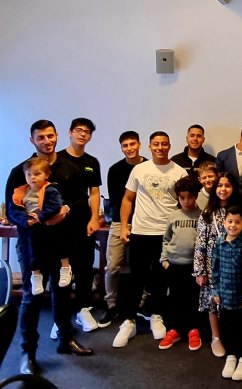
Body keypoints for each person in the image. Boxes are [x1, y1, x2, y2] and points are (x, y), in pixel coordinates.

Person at [5, 119, 93, 375]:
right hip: (32, 244)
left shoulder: (71, 169)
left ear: (57, 136)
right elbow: (12, 209)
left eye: (50, 136)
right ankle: (27, 353)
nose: (46, 141)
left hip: (62, 242)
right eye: (40, 137)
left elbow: (81, 202)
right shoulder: (19, 171)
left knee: (62, 291)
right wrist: (33, 221)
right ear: (32, 140)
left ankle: (65, 339)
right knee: (32, 298)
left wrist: (65, 211)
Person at [112, 131, 188, 348]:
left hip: (166, 234)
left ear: (170, 146)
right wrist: (125, 226)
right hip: (141, 231)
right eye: (156, 144)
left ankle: (156, 315)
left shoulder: (179, 172)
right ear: (150, 146)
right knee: (136, 277)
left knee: (160, 279)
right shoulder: (139, 169)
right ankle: (129, 320)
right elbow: (127, 199)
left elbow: (184, 203)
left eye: (164, 144)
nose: (160, 147)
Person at [57, 117, 102, 332]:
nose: (82, 134)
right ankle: (60, 317)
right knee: (62, 269)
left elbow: (94, 193)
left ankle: (83, 310)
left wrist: (94, 218)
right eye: (78, 130)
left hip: (84, 220)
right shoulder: (57, 159)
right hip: (60, 220)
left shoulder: (92, 162)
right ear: (69, 132)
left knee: (84, 267)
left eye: (87, 132)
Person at [99, 131, 147, 328]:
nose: (129, 148)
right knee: (112, 264)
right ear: (121, 148)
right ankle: (111, 304)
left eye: (132, 144)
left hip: (144, 222)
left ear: (139, 144)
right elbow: (118, 199)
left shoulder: (148, 166)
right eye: (125, 145)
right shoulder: (115, 169)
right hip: (120, 221)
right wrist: (125, 224)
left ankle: (142, 304)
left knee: (143, 266)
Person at [194, 172, 242, 358]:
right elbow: (200, 243)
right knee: (213, 303)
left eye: (227, 185)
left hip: (235, 266)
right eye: (220, 185)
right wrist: (199, 270)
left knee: (233, 304)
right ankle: (216, 338)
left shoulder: (241, 211)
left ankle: (233, 338)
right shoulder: (207, 213)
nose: (223, 189)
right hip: (212, 266)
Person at [8, 158, 72, 296]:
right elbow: (13, 210)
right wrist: (25, 221)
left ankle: (65, 267)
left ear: (46, 175)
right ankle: (35, 275)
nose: (32, 178)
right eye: (29, 174)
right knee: (32, 251)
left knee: (60, 241)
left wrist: (41, 216)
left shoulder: (50, 189)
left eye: (37, 174)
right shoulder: (21, 191)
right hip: (32, 227)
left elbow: (55, 206)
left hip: (49, 224)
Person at [212, 206, 242, 381]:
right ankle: (231, 356)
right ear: (224, 223)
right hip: (224, 296)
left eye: (237, 222)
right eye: (230, 221)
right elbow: (214, 268)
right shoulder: (219, 242)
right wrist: (216, 290)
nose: (233, 225)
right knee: (228, 326)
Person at [158, 176, 203, 351]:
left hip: (193, 266)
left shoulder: (201, 216)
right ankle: (175, 329)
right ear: (178, 197)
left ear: (195, 196)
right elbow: (166, 239)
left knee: (193, 298)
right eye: (182, 197)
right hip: (173, 264)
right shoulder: (173, 216)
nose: (186, 201)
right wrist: (164, 260)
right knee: (175, 298)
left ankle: (193, 329)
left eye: (189, 197)